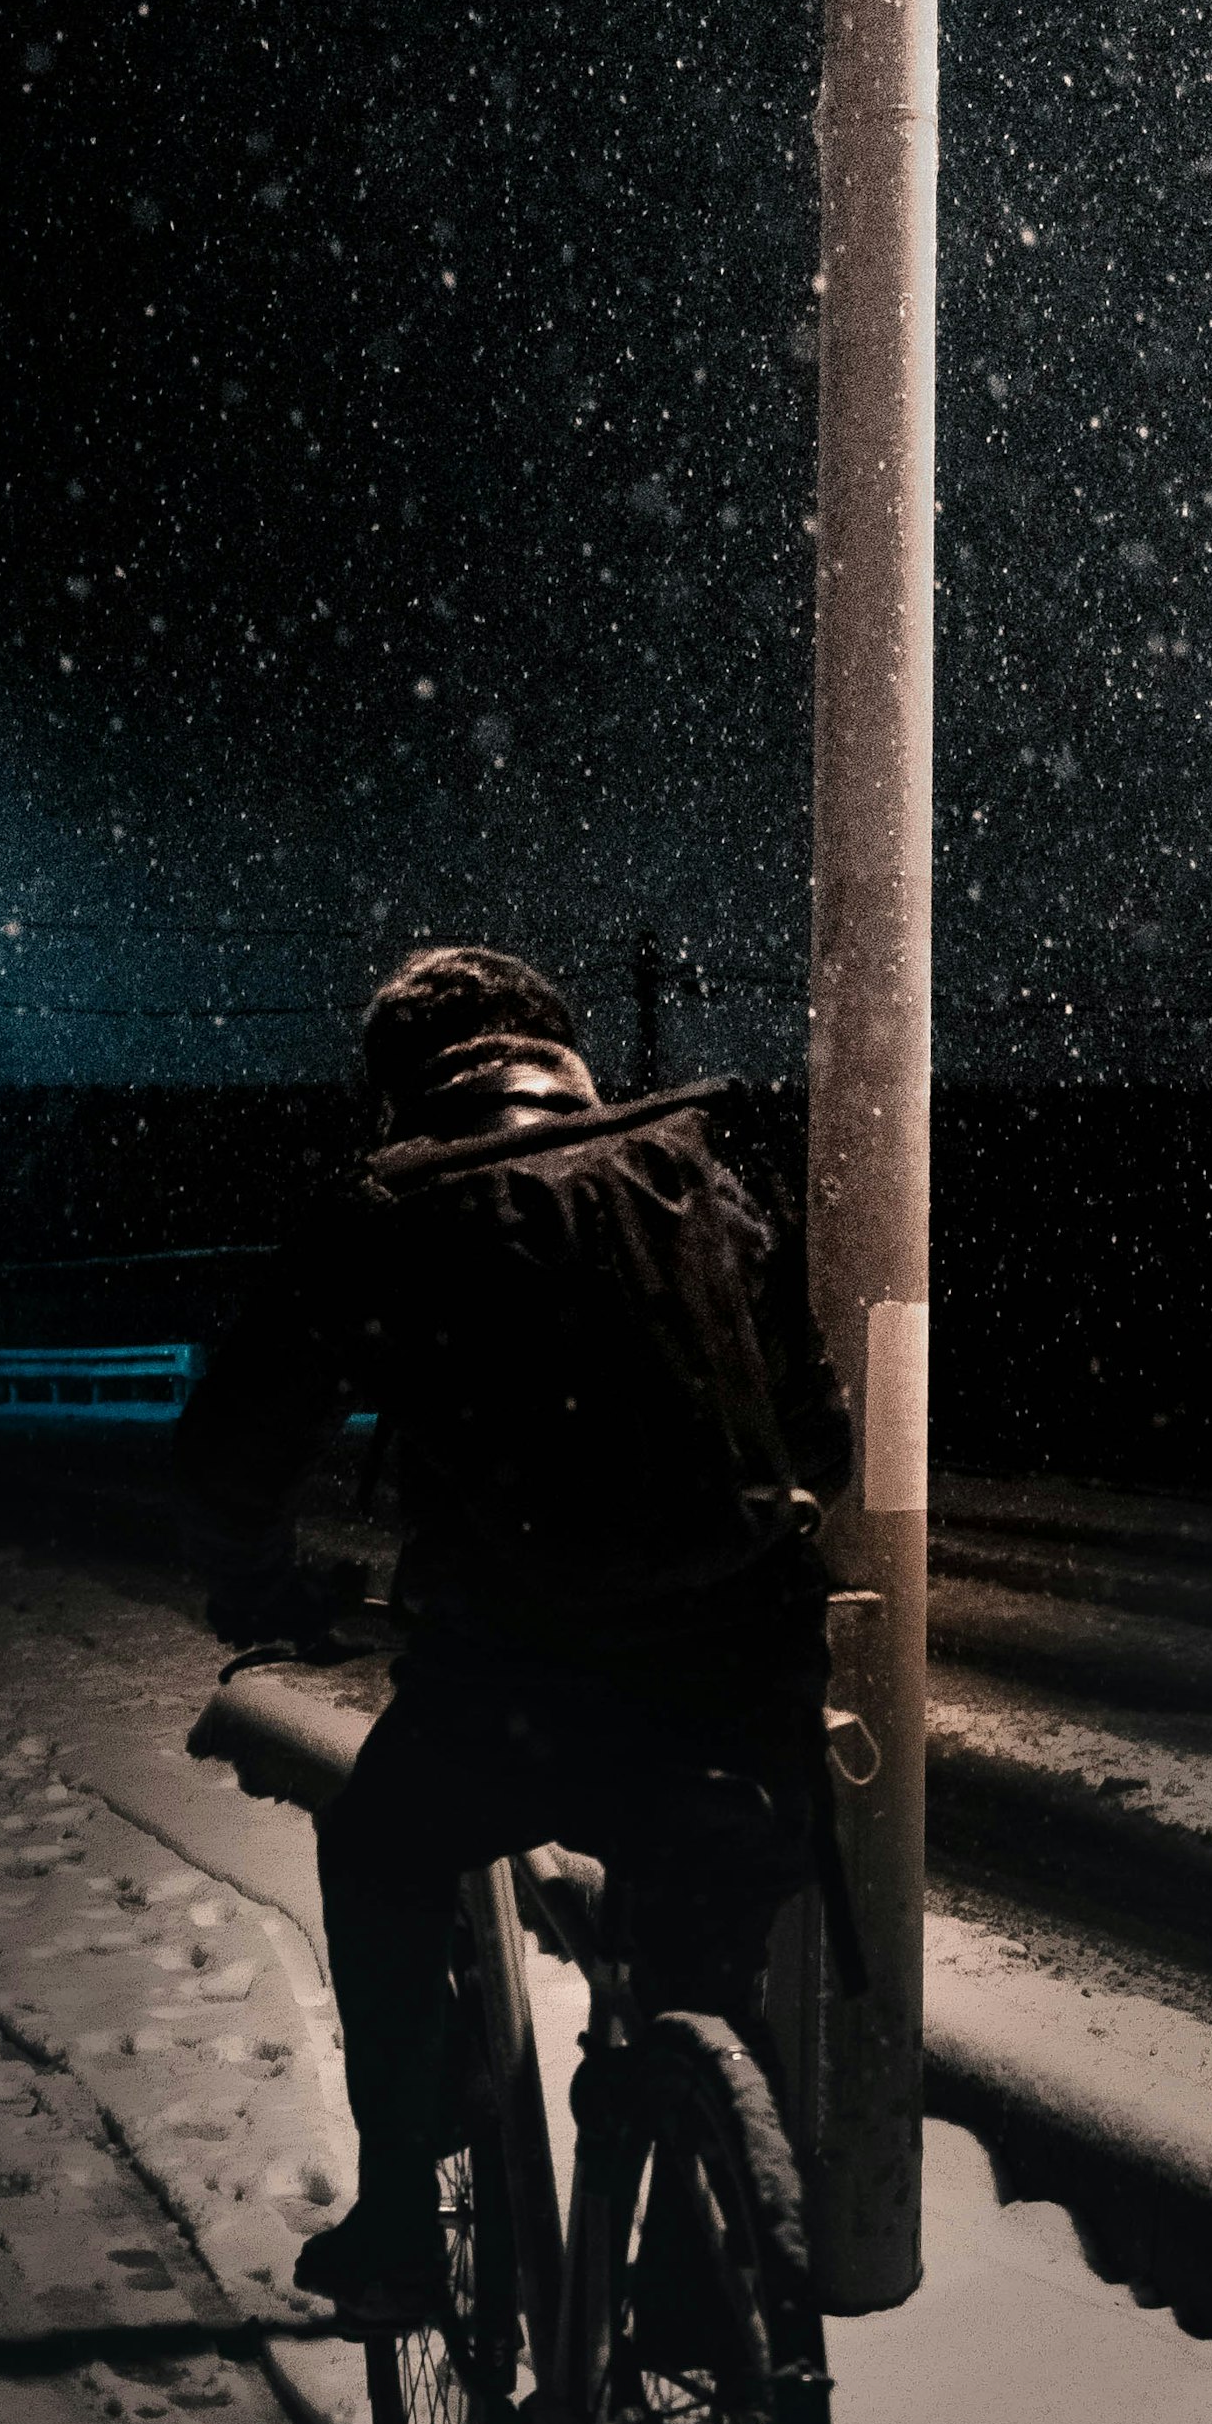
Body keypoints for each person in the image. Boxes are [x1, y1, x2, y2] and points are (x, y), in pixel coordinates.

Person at [175, 942, 854, 2328]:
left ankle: (408, 2222)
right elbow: (820, 1439)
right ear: (560, 1051)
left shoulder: (387, 1211)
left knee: (380, 1846)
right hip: (738, 1679)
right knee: (707, 1959)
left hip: (518, 1696)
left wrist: (260, 1584)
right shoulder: (705, 1178)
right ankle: (719, 2344)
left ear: (401, 1086)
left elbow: (235, 1454)